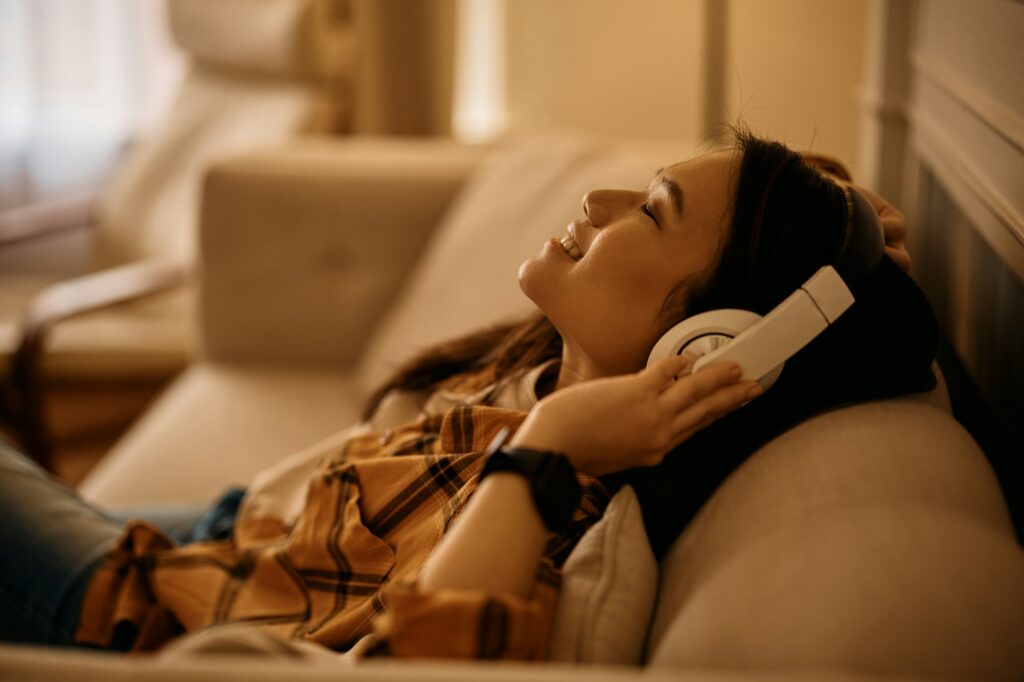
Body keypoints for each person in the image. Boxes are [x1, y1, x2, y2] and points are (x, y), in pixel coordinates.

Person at [0, 130, 936, 659]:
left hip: (137, 606)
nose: (602, 200)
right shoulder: (551, 371)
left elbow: (423, 667)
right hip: (239, 536)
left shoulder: (558, 503)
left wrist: (548, 450)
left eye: (651, 210)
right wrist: (836, 214)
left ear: (713, 343)